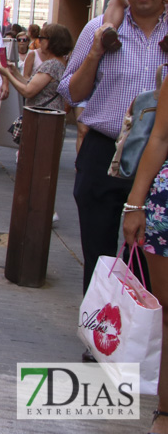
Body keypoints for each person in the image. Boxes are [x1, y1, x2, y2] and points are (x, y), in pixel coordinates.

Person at [60, 0, 168, 321]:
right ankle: (101, 337)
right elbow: (72, 93)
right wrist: (98, 49)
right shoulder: (100, 27)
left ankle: (142, 339)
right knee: (100, 255)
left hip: (159, 160)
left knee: (150, 258)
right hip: (104, 153)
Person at [122, 65, 168, 434]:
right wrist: (135, 204)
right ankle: (165, 413)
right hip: (165, 206)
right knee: (167, 311)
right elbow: (160, 137)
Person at [0, 23, 72, 113]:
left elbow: (28, 91)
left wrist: (7, 74)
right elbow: (31, 84)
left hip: (42, 117)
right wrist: (14, 71)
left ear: (52, 41)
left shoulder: (51, 65)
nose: (39, 41)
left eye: (42, 38)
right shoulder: (60, 62)